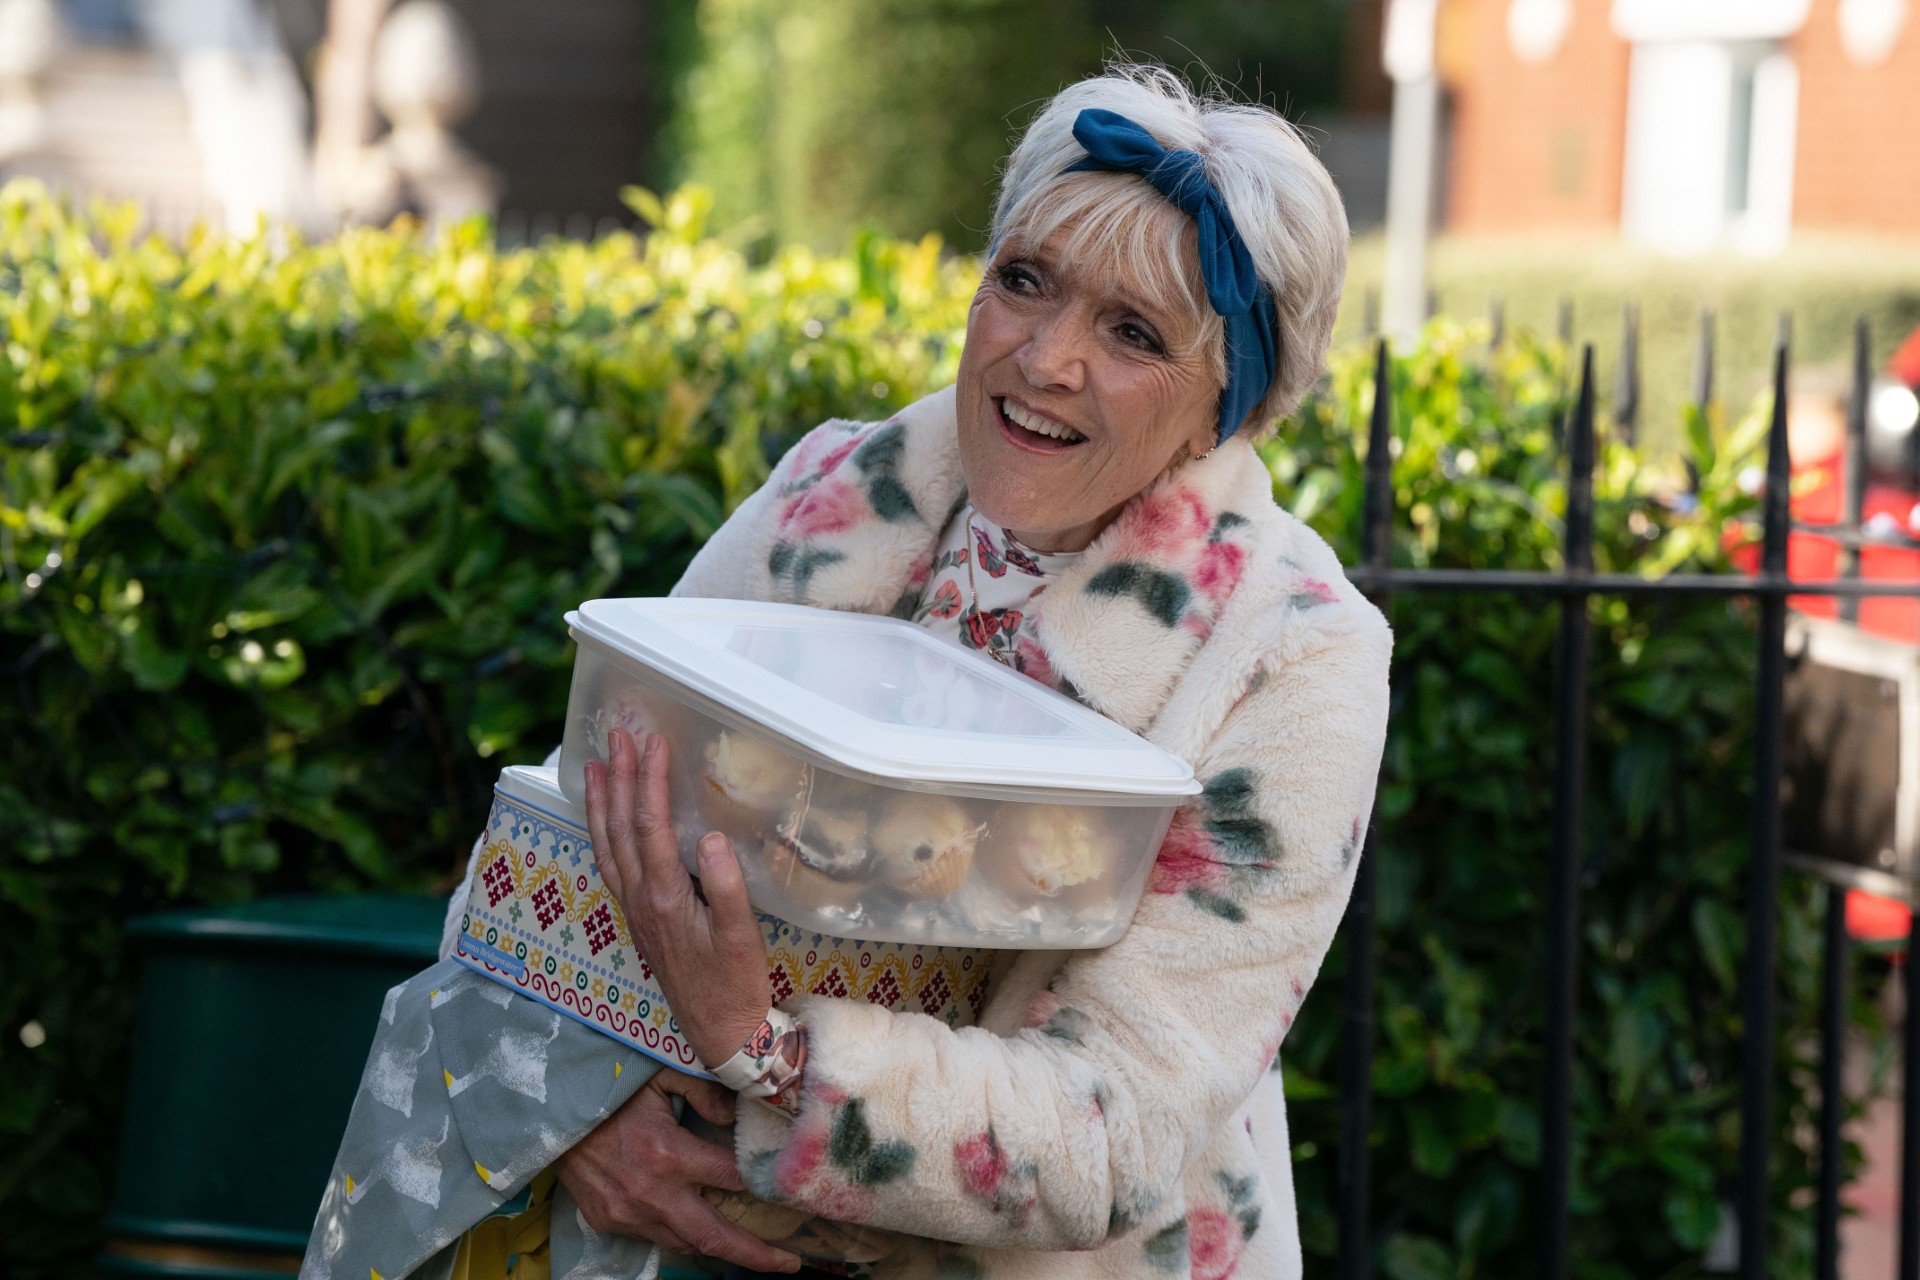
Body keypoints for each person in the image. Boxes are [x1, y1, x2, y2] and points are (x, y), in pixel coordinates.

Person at [565, 65, 1390, 1280]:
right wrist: (579, 1113)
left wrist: (766, 1051)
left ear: (1232, 401)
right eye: (1024, 280)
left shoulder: (1298, 651)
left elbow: (1119, 1122)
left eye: (1133, 334)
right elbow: (586, 823)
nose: (1045, 358)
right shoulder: (826, 488)